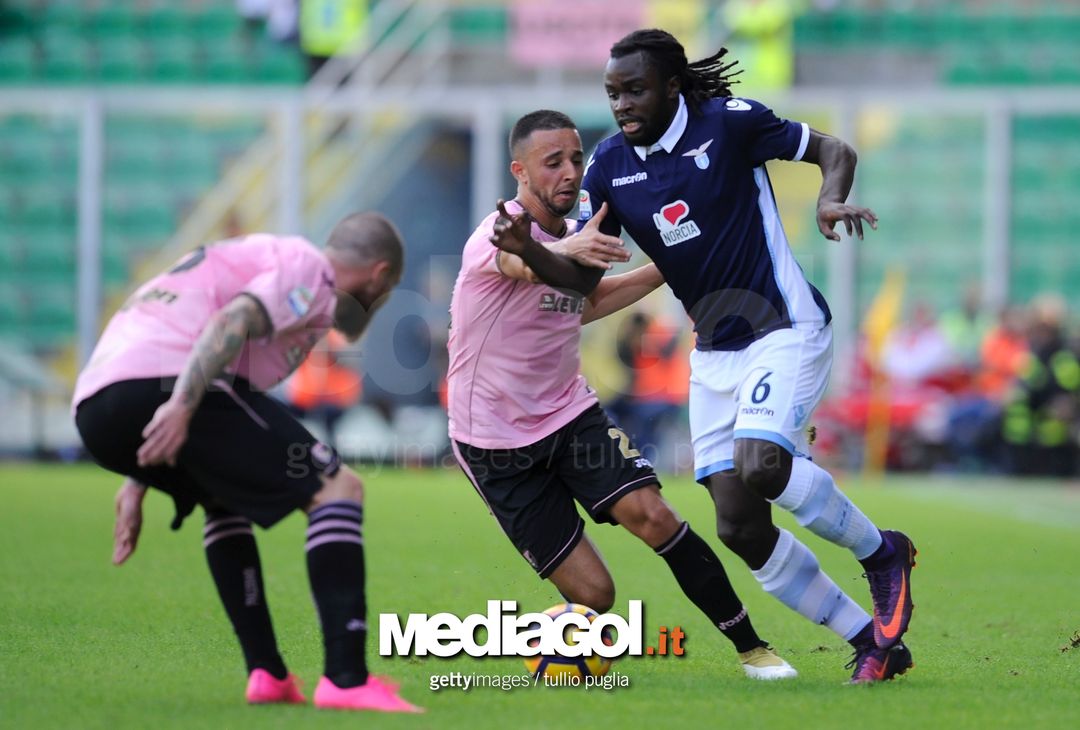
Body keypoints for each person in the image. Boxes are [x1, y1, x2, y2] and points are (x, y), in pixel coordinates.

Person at [577, 29, 917, 683]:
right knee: (738, 527)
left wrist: (827, 199)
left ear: (671, 85)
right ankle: (871, 640)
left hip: (784, 327)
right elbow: (579, 267)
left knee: (762, 463)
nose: (621, 103)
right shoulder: (609, 166)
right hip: (715, 356)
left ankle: (883, 553)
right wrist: (544, 254)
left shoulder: (730, 124)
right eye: (612, 92)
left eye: (635, 89)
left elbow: (834, 149)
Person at [449, 109, 797, 680]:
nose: (569, 172)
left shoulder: (580, 234)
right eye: (552, 162)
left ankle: (753, 650)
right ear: (520, 171)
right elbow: (523, 265)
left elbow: (584, 303)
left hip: (568, 414)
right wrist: (572, 250)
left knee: (655, 516)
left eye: (576, 159)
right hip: (493, 441)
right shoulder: (500, 233)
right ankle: (544, 644)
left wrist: (670, 261)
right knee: (595, 596)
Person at [72, 214, 422, 712]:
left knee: (223, 500)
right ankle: (346, 679)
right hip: (166, 382)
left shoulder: (261, 258)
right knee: (339, 489)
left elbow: (180, 342)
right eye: (388, 290)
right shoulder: (307, 268)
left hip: (96, 406)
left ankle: (268, 674)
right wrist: (180, 404)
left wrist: (138, 478)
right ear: (379, 275)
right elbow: (231, 321)